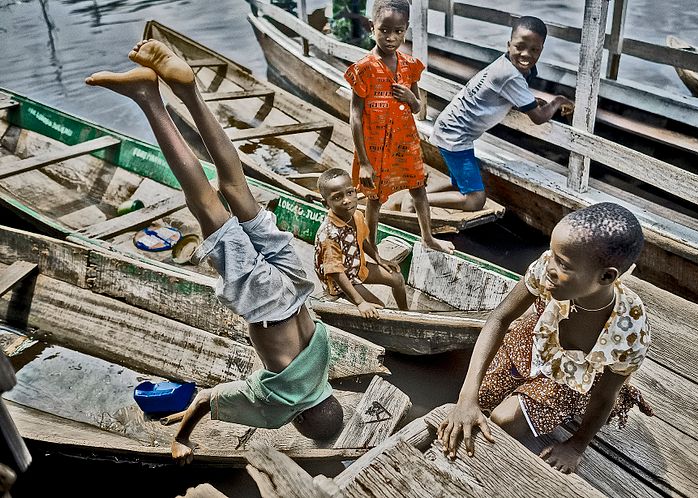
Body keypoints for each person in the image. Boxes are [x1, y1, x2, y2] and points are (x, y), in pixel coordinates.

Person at [85, 40, 343, 465]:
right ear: (299, 418)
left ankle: (188, 91)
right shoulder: (283, 408)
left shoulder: (321, 368)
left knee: (235, 187)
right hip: (265, 302)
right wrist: (183, 436)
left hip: (296, 285)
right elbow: (207, 397)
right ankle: (149, 98)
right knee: (205, 203)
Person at [437, 202, 653, 474]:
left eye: (562, 264)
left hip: (570, 378)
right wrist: (466, 399)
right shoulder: (547, 269)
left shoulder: (629, 331)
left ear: (607, 276)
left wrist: (576, 445)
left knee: (503, 421)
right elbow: (499, 318)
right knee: (478, 397)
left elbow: (604, 396)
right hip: (532, 344)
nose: (549, 267)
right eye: (552, 254)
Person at [427, 16, 574, 212]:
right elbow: (538, 118)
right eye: (520, 46)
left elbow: (504, 96)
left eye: (534, 50)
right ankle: (420, 201)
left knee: (459, 184)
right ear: (509, 44)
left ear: (541, 50)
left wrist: (529, 102)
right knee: (475, 200)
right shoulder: (510, 75)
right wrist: (559, 100)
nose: (526, 54)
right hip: (456, 137)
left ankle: (419, 194)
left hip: (449, 128)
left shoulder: (504, 64)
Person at [345, 0, 455, 255]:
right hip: (374, 147)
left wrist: (411, 98)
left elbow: (417, 108)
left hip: (405, 142)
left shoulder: (409, 65)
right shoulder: (364, 68)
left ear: (406, 30)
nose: (391, 37)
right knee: (374, 199)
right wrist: (363, 162)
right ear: (373, 27)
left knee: (418, 189)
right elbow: (355, 116)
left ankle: (428, 237)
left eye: (398, 31)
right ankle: (371, 247)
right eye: (384, 30)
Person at [315, 168, 408, 319]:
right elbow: (336, 272)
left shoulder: (357, 215)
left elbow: (362, 239)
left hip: (357, 267)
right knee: (379, 308)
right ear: (326, 204)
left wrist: (378, 259)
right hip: (339, 280)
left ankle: (406, 313)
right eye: (337, 198)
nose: (347, 200)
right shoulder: (329, 235)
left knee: (397, 279)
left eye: (350, 193)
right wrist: (360, 303)